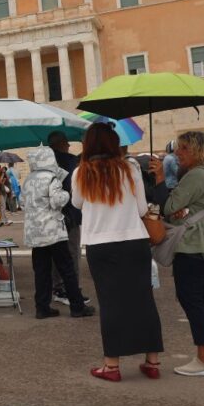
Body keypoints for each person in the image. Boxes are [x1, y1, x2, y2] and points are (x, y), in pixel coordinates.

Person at [72, 123, 163, 382]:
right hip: (134, 240)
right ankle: (152, 361)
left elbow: (76, 203)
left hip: (101, 245)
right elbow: (142, 208)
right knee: (143, 299)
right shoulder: (130, 169)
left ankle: (111, 366)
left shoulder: (81, 172)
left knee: (111, 304)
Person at [149, 131, 204, 377]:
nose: (177, 153)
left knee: (191, 299)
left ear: (196, 150)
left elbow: (168, 206)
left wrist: (161, 178)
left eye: (183, 148)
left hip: (192, 245)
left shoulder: (196, 176)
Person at [21, 147, 95, 320]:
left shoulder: (28, 180)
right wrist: (66, 194)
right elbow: (57, 201)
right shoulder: (51, 178)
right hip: (52, 231)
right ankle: (77, 306)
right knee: (66, 268)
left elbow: (23, 203)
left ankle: (42, 307)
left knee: (41, 271)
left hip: (35, 234)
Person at [47, 131, 87, 306]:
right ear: (62, 144)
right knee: (72, 253)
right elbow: (76, 189)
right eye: (68, 143)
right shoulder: (71, 162)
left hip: (50, 216)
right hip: (70, 214)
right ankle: (72, 290)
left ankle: (57, 287)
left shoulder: (45, 164)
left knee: (56, 254)